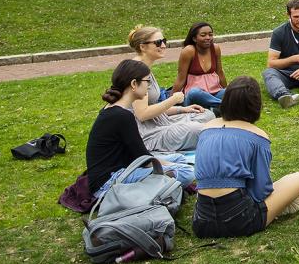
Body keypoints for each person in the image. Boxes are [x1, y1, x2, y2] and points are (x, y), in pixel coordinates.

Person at [191, 77, 299, 238]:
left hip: (201, 222)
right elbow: (261, 191)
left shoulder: (206, 129)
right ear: (256, 105)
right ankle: (278, 208)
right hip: (241, 220)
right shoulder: (257, 136)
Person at [85, 59, 194, 200]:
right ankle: (159, 187)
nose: (148, 86)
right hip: (109, 183)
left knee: (179, 158)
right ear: (134, 84)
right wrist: (172, 166)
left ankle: (163, 184)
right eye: (147, 82)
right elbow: (144, 159)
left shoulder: (114, 110)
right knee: (187, 171)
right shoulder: (123, 116)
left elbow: (137, 154)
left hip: (121, 167)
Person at [128, 25, 213, 151]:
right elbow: (142, 114)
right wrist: (173, 100)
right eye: (158, 43)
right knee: (202, 131)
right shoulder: (137, 72)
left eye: (164, 41)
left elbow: (153, 108)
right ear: (142, 47)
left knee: (207, 115)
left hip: (159, 121)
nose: (163, 46)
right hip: (148, 134)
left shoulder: (144, 68)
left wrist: (182, 109)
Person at [171, 22, 227, 109]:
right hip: (194, 97)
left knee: (230, 91)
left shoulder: (215, 48)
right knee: (194, 92)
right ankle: (225, 106)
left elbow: (220, 72)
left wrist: (228, 91)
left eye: (210, 34)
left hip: (215, 93)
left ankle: (216, 107)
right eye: (203, 35)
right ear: (194, 38)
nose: (208, 38)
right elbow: (180, 78)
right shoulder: (189, 51)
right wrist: (171, 102)